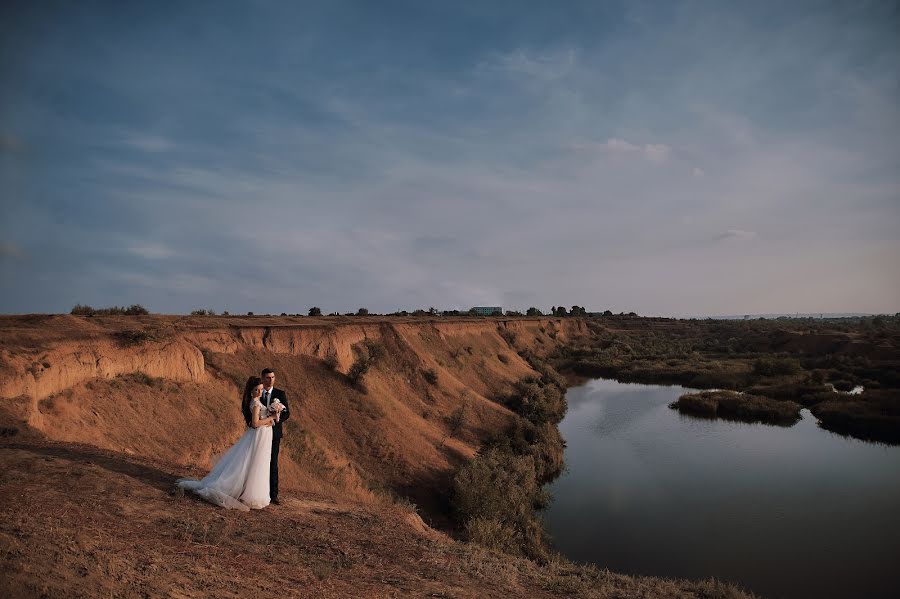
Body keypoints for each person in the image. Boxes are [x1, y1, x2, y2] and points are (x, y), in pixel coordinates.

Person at [176, 376, 275, 510]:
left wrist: (270, 418)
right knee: (252, 463)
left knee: (254, 464)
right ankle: (250, 494)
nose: (259, 392)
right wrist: (271, 418)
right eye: (257, 390)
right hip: (257, 437)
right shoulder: (256, 403)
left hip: (259, 437)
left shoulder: (257, 401)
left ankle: (247, 491)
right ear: (252, 391)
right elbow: (255, 423)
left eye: (261, 389)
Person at [260, 367, 289, 504]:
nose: (270, 380)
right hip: (259, 433)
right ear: (263, 379)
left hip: (274, 433)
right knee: (258, 461)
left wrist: (276, 419)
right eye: (268, 377)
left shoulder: (280, 393)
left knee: (273, 463)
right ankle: (258, 491)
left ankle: (273, 495)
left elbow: (287, 413)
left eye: (272, 377)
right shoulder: (257, 393)